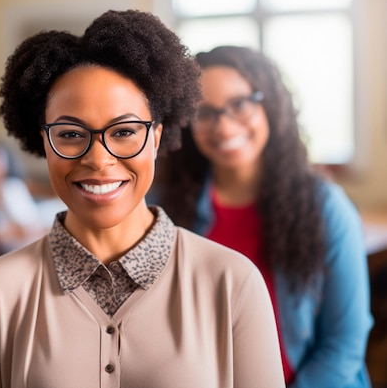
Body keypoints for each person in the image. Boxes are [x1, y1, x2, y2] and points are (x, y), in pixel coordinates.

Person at [0, 10, 285, 387]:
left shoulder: (232, 283)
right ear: (44, 142)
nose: (98, 159)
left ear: (155, 136)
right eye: (71, 134)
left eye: (124, 131)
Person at [152, 45, 373, 387]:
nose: (223, 128)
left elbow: (344, 343)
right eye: (204, 113)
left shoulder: (325, 206)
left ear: (268, 103)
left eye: (239, 104)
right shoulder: (165, 208)